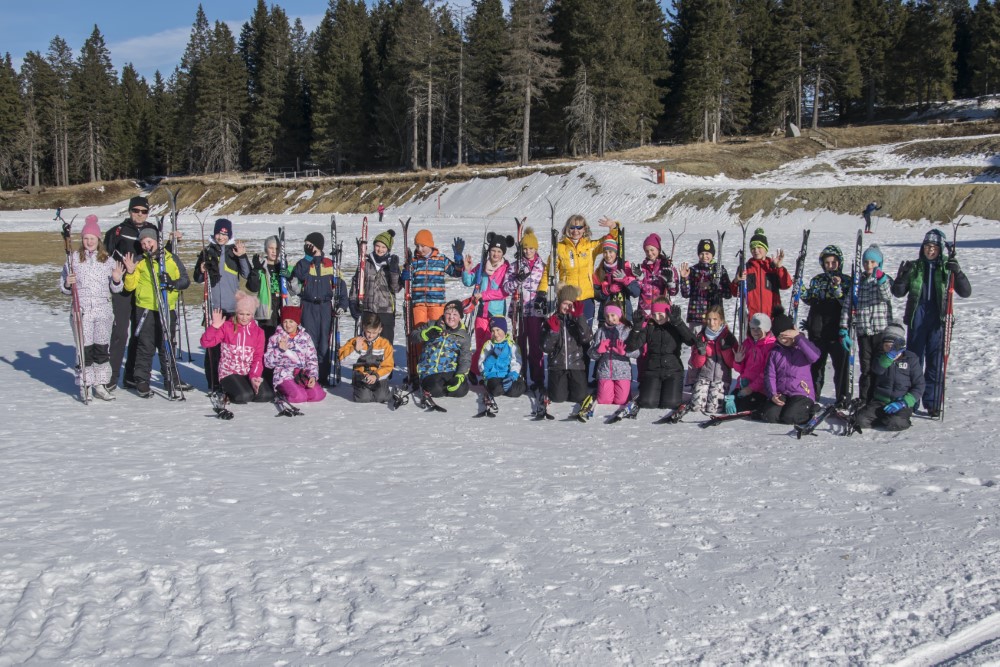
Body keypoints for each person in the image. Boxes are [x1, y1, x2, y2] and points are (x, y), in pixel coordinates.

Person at [891, 228, 972, 416]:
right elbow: (898, 293)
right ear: (922, 247)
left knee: (936, 362)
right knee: (914, 361)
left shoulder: (947, 267)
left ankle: (933, 402)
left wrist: (957, 272)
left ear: (940, 249)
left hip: (938, 319)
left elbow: (966, 292)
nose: (930, 250)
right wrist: (901, 278)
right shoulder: (915, 266)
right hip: (917, 318)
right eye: (927, 246)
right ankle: (911, 401)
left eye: (934, 247)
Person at [60, 214, 125, 401]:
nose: (89, 242)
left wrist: (117, 279)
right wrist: (67, 283)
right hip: (82, 312)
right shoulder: (73, 260)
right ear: (82, 240)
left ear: (99, 240)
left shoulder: (107, 260)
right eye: (86, 238)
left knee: (101, 349)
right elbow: (64, 289)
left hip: (103, 310)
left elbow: (116, 289)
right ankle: (85, 384)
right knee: (84, 350)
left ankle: (100, 384)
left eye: (93, 238)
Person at [122, 227, 192, 398]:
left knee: (167, 344)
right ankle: (142, 381)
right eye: (143, 243)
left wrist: (172, 283)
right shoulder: (140, 261)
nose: (147, 245)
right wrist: (130, 272)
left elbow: (185, 280)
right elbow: (129, 286)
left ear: (156, 242)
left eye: (149, 242)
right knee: (145, 346)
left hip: (167, 308)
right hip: (146, 309)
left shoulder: (170, 258)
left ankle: (171, 378)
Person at [103, 196, 157, 391]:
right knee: (120, 332)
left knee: (139, 332)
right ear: (130, 211)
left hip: (143, 288)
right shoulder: (117, 232)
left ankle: (132, 376)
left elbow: (159, 255)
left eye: (144, 211)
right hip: (122, 290)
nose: (140, 214)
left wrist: (173, 241)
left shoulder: (153, 230)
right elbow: (104, 257)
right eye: (136, 211)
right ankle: (111, 376)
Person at [194, 218, 250, 390]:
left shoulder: (234, 252)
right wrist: (201, 269)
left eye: (225, 234)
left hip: (232, 308)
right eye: (219, 233)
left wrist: (242, 256)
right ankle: (213, 383)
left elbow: (247, 274)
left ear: (229, 235)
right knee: (213, 347)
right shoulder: (207, 251)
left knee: (232, 348)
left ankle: (232, 381)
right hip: (214, 309)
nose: (221, 237)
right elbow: (196, 278)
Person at [538, 215, 619, 327]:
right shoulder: (559, 248)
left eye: (579, 227)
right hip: (567, 298)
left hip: (587, 299)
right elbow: (549, 271)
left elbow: (610, 241)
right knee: (568, 334)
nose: (575, 231)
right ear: (567, 228)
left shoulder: (590, 246)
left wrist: (613, 227)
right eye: (572, 227)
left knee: (585, 335)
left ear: (584, 229)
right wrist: (541, 291)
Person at [292, 231, 349, 385]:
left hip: (325, 307)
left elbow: (341, 287)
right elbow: (298, 277)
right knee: (308, 342)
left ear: (317, 246)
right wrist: (307, 258)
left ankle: (322, 376)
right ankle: (308, 375)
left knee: (324, 343)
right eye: (305, 245)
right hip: (308, 306)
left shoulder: (330, 264)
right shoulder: (303, 263)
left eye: (309, 244)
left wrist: (343, 305)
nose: (306, 247)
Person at [840, 244, 894, 403]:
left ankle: (881, 399)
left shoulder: (884, 280)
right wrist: (843, 328)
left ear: (879, 263)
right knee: (866, 368)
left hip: (881, 332)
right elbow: (847, 306)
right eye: (866, 262)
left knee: (882, 367)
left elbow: (887, 296)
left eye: (873, 262)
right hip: (863, 332)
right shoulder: (858, 283)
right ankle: (865, 399)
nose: (869, 265)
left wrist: (881, 279)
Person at [200, 292, 274, 405]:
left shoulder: (259, 332)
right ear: (236, 313)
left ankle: (245, 385)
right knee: (244, 396)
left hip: (247, 372)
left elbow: (258, 357)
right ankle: (227, 389)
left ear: (252, 315)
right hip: (229, 371)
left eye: (248, 314)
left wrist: (254, 376)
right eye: (241, 314)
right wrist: (214, 327)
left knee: (266, 395)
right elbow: (206, 343)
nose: (244, 318)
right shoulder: (227, 326)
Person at [625, 297, 697, 410]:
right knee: (647, 403)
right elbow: (630, 347)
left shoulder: (675, 326)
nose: (657, 318)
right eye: (654, 314)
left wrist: (679, 323)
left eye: (660, 314)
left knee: (670, 404)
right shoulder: (650, 327)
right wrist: (636, 329)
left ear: (667, 312)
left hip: (673, 371)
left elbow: (691, 341)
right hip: (653, 370)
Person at [802, 244, 851, 406]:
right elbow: (809, 298)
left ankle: (842, 398)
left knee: (840, 367)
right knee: (816, 367)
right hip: (818, 331)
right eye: (827, 263)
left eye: (833, 263)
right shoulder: (817, 280)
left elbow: (846, 302)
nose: (830, 266)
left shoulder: (846, 281)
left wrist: (837, 287)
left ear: (840, 263)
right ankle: (813, 397)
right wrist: (799, 286)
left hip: (838, 331)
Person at [463, 232, 515, 381]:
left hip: (496, 314)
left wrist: (484, 295)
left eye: (499, 251)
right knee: (481, 345)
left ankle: (493, 372)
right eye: (493, 250)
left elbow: (504, 292)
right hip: (481, 313)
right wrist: (467, 269)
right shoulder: (481, 266)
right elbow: (468, 281)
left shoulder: (506, 269)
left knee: (495, 343)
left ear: (503, 253)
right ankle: (474, 370)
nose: (495, 254)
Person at [853, 323, 924, 431]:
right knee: (859, 420)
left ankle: (893, 419)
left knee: (895, 422)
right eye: (886, 346)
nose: (888, 349)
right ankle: (882, 418)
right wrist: (888, 358)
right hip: (880, 402)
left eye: (892, 346)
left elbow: (919, 385)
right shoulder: (881, 358)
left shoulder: (911, 360)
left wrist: (904, 402)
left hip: (901, 403)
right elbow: (877, 369)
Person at [502, 227, 546, 390]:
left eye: (531, 248)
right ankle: (520, 377)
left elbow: (548, 287)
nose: (528, 251)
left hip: (535, 311)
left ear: (536, 248)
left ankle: (538, 378)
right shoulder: (515, 266)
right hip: (519, 311)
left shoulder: (543, 266)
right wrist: (517, 280)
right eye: (525, 248)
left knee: (535, 345)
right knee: (519, 345)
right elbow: (506, 288)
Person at [761, 309, 821, 424]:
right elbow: (770, 375)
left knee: (791, 417)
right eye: (780, 337)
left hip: (801, 392)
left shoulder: (802, 346)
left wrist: (798, 337)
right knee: (770, 416)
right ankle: (784, 409)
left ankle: (812, 409)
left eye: (786, 336)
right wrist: (773, 395)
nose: (783, 340)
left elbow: (815, 356)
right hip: (782, 392)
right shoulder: (775, 352)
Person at [541, 284, 593, 404]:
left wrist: (579, 318)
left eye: (571, 304)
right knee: (558, 398)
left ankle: (571, 386)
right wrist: (553, 332)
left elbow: (586, 338)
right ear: (559, 303)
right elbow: (545, 348)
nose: (567, 307)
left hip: (576, 365)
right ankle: (560, 386)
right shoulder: (552, 320)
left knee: (579, 397)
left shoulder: (578, 319)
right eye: (565, 303)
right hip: (557, 366)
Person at [264, 305, 325, 404]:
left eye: (291, 321)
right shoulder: (275, 338)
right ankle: (282, 392)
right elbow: (268, 363)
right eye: (285, 321)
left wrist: (313, 376)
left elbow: (312, 359)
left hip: (301, 375)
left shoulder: (305, 337)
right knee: (299, 397)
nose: (288, 325)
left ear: (297, 322)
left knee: (317, 395)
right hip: (284, 375)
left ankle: (299, 390)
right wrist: (279, 350)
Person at [350, 228, 402, 345]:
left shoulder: (391, 264)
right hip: (368, 310)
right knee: (367, 347)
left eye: (383, 247)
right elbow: (356, 284)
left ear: (388, 249)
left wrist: (394, 271)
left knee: (385, 346)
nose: (380, 249)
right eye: (377, 246)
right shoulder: (365, 263)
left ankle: (386, 364)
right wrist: (353, 302)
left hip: (386, 311)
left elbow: (396, 288)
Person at [412, 299, 472, 398]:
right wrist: (425, 334)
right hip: (430, 371)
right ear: (444, 314)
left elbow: (465, 358)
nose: (451, 317)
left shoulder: (463, 335)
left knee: (461, 390)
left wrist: (460, 375)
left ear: (460, 317)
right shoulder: (432, 325)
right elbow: (413, 336)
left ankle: (445, 387)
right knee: (436, 389)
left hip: (449, 371)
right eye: (448, 313)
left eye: (455, 314)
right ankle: (433, 387)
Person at [731, 227, 791, 319]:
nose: (756, 250)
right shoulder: (745, 267)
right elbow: (736, 293)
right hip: (753, 318)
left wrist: (779, 267)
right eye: (753, 248)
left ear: (766, 249)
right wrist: (736, 281)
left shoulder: (772, 267)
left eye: (759, 247)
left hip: (772, 317)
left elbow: (786, 284)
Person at [408, 229, 464, 327]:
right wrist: (405, 271)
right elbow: (406, 279)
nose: (419, 249)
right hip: (419, 303)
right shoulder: (414, 261)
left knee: (436, 330)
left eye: (422, 246)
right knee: (419, 331)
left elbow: (457, 272)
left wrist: (458, 259)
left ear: (430, 245)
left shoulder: (441, 259)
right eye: (417, 246)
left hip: (437, 303)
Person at [688, 304, 737, 413]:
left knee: (713, 409)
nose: (712, 323)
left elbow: (732, 364)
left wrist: (726, 350)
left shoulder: (728, 337)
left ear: (721, 320)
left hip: (721, 379)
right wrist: (701, 352)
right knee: (696, 407)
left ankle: (724, 398)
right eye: (709, 319)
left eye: (715, 319)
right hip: (704, 376)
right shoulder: (701, 336)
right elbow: (696, 364)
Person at [338, 312, 395, 403]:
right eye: (368, 332)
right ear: (364, 327)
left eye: (374, 332)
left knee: (382, 397)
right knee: (363, 398)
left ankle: (381, 390)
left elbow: (388, 366)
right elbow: (342, 361)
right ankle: (363, 390)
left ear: (380, 330)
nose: (370, 335)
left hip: (378, 375)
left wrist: (376, 376)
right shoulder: (355, 341)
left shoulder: (385, 344)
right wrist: (356, 351)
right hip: (362, 376)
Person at [588, 304, 639, 405]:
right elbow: (591, 354)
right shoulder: (600, 331)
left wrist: (624, 352)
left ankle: (624, 390)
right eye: (607, 316)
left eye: (613, 315)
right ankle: (600, 390)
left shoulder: (627, 331)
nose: (610, 319)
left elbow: (637, 353)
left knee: (621, 401)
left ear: (619, 315)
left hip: (622, 372)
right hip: (605, 372)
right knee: (604, 401)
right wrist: (598, 350)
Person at [729, 312, 777, 415]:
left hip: (760, 388)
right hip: (743, 384)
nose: (755, 332)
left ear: (766, 328)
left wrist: (751, 388)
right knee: (729, 405)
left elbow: (766, 373)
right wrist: (738, 361)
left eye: (759, 328)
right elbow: (740, 370)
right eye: (752, 328)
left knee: (743, 407)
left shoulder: (770, 346)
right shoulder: (747, 343)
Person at [679, 237, 732, 327]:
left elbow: (728, 293)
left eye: (707, 253)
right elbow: (686, 294)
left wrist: (712, 286)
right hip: (696, 317)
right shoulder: (693, 270)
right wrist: (685, 279)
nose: (704, 257)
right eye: (701, 254)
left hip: (714, 318)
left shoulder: (719, 270)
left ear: (712, 254)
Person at [245, 235, 284, 343]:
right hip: (266, 310)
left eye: (277, 248)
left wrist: (289, 276)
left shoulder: (283, 267)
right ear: (266, 249)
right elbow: (253, 287)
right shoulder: (261, 267)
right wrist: (256, 271)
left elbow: (294, 290)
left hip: (282, 308)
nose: (274, 251)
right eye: (271, 248)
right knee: (267, 341)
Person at [593, 236, 640, 324]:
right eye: (605, 252)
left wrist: (626, 280)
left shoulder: (626, 268)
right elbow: (595, 294)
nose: (608, 255)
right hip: (606, 318)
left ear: (616, 252)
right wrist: (608, 290)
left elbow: (636, 292)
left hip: (624, 315)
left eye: (610, 252)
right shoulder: (599, 271)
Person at [478, 316, 527, 399]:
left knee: (519, 389)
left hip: (507, 375)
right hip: (493, 375)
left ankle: (507, 387)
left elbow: (516, 362)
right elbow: (482, 366)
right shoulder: (488, 345)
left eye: (498, 330)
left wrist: (512, 375)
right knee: (496, 390)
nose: (496, 334)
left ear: (504, 330)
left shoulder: (511, 345)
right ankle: (495, 387)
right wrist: (493, 356)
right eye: (493, 331)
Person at [635, 232, 679, 320]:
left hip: (661, 312)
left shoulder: (667, 267)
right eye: (647, 251)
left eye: (652, 250)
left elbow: (673, 292)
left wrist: (670, 282)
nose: (649, 253)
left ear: (658, 249)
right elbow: (637, 291)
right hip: (644, 312)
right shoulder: (642, 268)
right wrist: (639, 279)